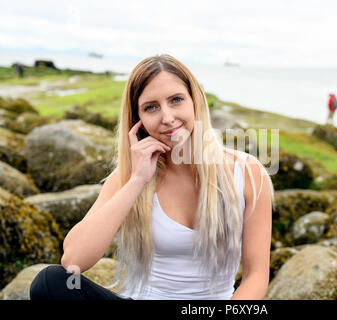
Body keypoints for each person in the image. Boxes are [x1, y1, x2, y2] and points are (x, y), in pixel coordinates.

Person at [29, 54, 274, 300]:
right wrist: (136, 181)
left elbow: (256, 275)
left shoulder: (248, 174)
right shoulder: (128, 177)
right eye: (151, 107)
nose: (167, 118)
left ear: (194, 101)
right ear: (139, 121)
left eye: (176, 100)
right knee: (49, 282)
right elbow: (73, 260)